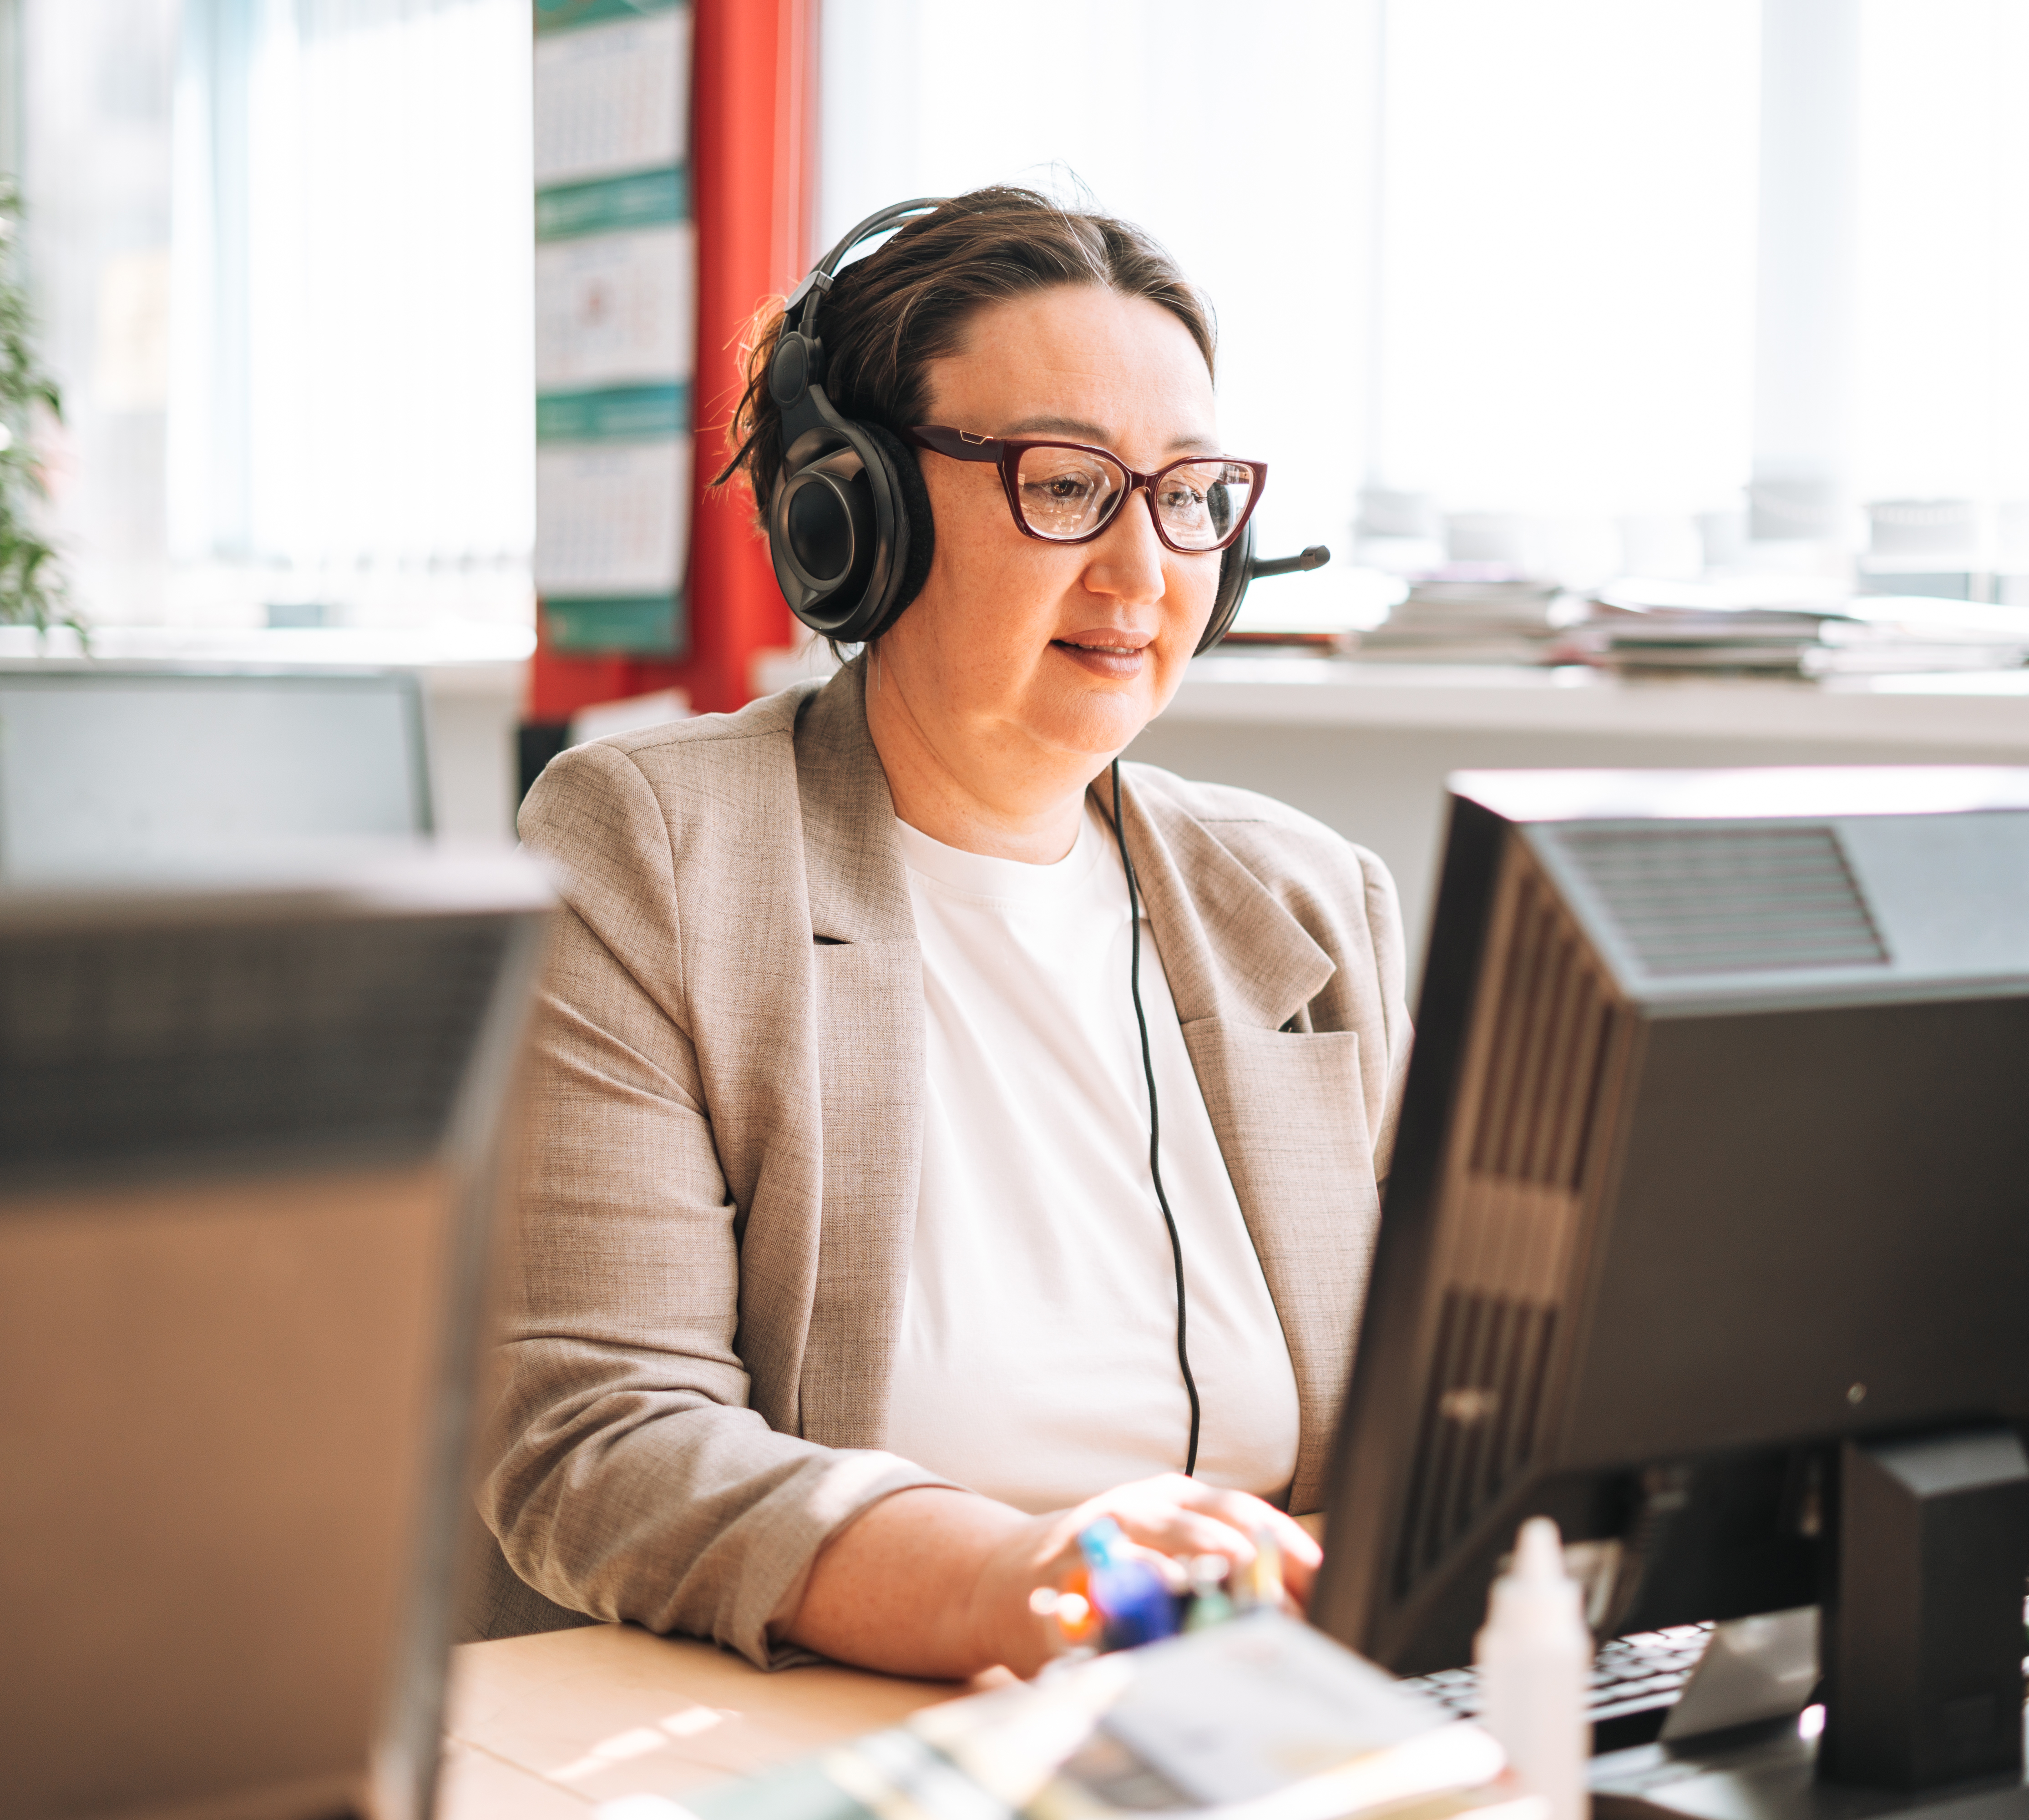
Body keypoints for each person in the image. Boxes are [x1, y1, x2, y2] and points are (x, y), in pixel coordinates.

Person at [476, 187, 1409, 1679]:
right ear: (855, 509)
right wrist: (1019, 1582)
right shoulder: (655, 847)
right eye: (1063, 482)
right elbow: (597, 1435)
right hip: (837, 1722)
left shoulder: (1305, 902)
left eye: (1188, 495)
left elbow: (1454, 1416)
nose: (1143, 573)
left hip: (1244, 1724)